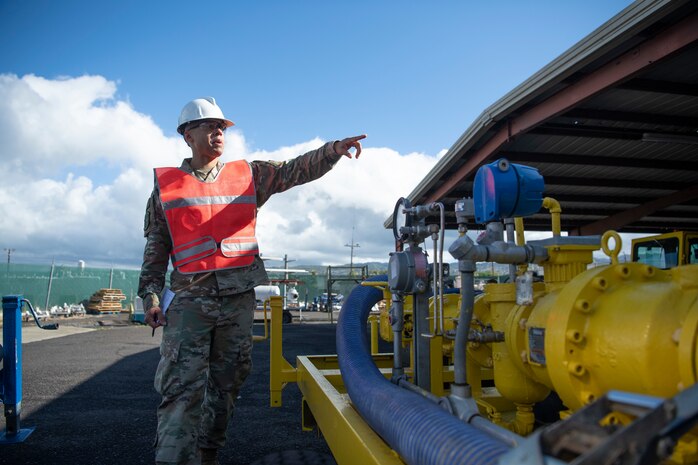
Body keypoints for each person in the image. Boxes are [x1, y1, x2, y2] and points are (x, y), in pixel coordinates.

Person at [137, 97, 365, 465]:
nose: (217, 132)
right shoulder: (167, 187)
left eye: (222, 127)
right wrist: (149, 296)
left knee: (228, 385)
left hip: (237, 300)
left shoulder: (249, 175)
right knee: (181, 388)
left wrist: (332, 151)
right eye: (208, 126)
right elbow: (156, 248)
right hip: (190, 303)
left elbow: (295, 170)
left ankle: (208, 453)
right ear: (186, 135)